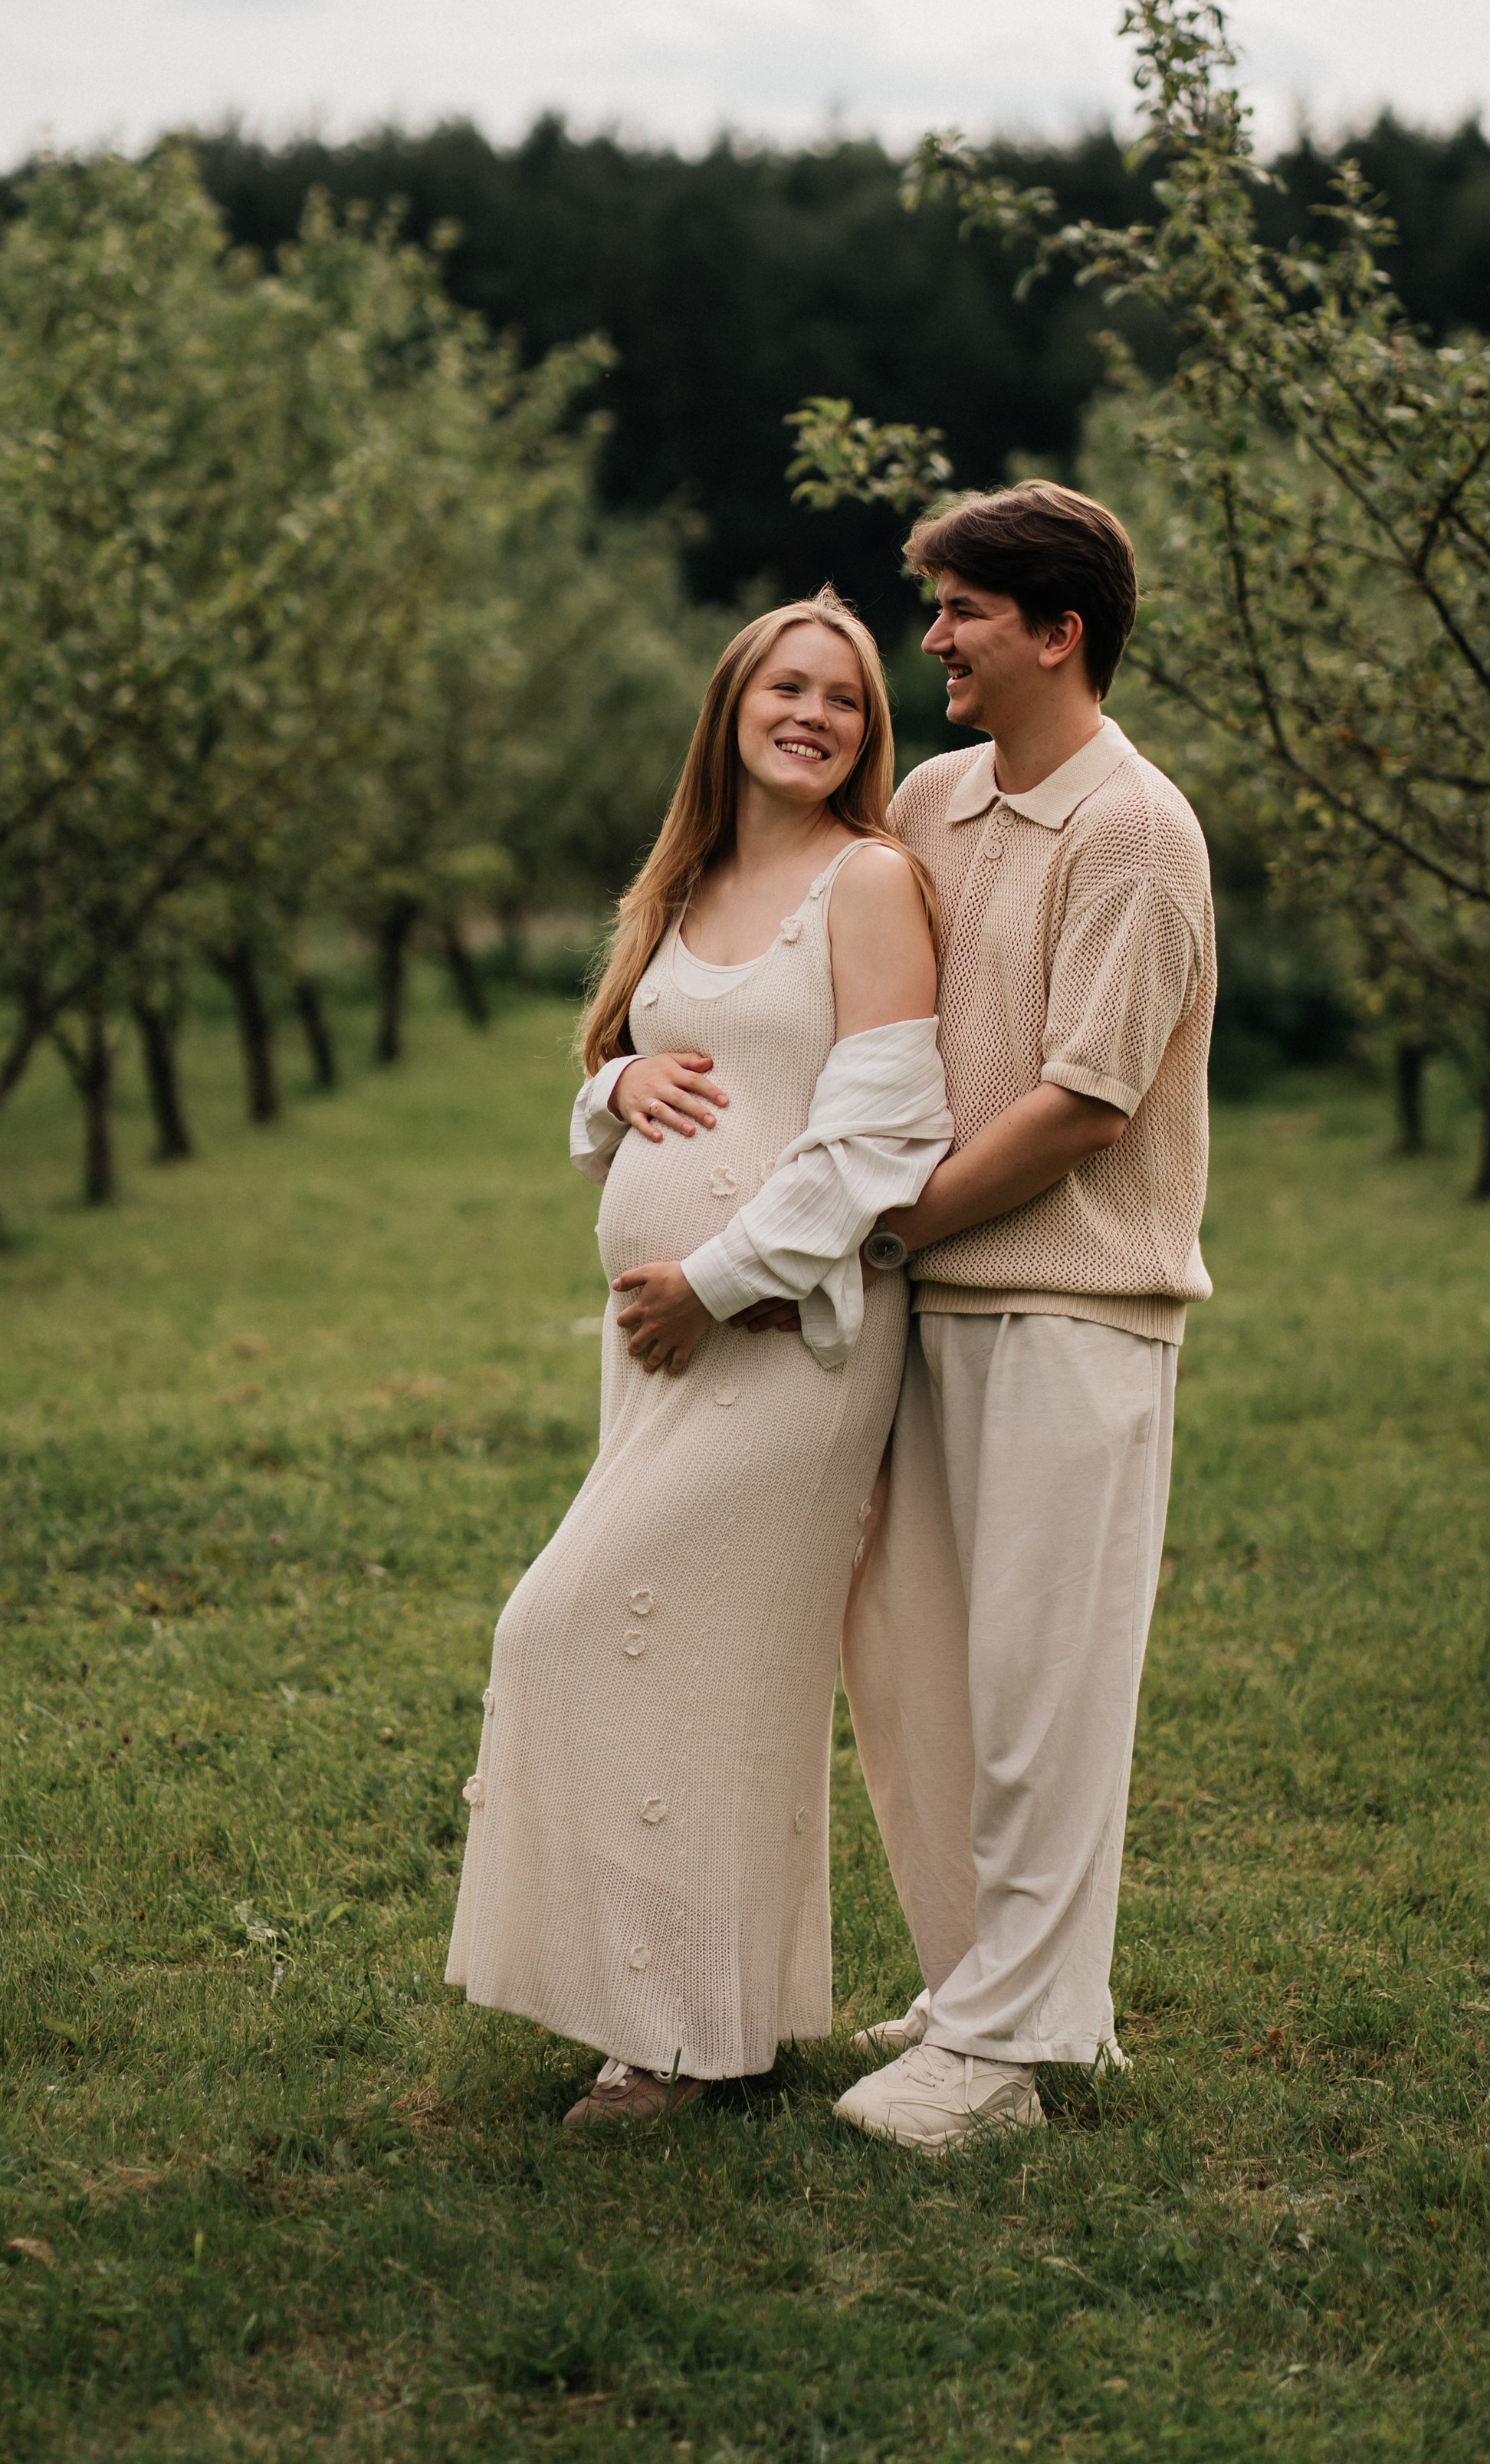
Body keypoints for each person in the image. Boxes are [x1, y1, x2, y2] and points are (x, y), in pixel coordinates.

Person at [445, 590, 953, 2126]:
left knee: (568, 1628)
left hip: (786, 1342)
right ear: (728, 707)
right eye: (784, 687)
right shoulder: (689, 881)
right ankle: (681, 2025)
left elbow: (881, 1139)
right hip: (663, 1351)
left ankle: (672, 2034)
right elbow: (610, 1102)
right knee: (683, 1666)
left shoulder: (869, 884)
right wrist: (612, 1089)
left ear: (866, 734)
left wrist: (716, 1280)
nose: (812, 715)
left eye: (846, 700)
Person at [832, 481, 1215, 2155]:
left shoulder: (1139, 832)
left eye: (960, 611)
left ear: (1056, 630)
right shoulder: (927, 796)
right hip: (923, 1309)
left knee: (1046, 1688)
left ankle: (1006, 2057)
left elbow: (1084, 1103)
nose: (931, 641)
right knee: (922, 1673)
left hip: (1071, 1310)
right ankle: (981, 1982)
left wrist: (888, 1221)